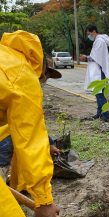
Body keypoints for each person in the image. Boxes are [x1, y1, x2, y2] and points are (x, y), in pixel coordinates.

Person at [0, 30, 61, 217]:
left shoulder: (6, 58)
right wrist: (44, 201)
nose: (43, 81)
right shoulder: (22, 75)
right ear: (42, 70)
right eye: (45, 77)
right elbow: (30, 137)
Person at [80, 25, 109, 122]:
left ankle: (106, 116)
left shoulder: (100, 41)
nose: (89, 36)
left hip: (99, 71)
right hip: (98, 70)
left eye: (89, 33)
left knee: (100, 94)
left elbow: (96, 58)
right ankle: (100, 113)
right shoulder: (98, 41)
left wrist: (86, 57)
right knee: (98, 93)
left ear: (94, 31)